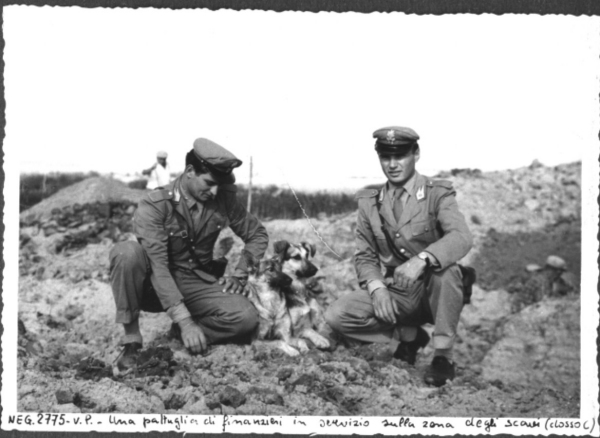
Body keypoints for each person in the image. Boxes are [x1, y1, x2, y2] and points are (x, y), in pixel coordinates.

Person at [325, 126, 474, 387]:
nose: (392, 165)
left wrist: (423, 259)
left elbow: (461, 237)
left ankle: (443, 357)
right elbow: (365, 256)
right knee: (338, 315)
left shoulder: (437, 194)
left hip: (435, 291)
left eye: (400, 156)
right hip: (399, 292)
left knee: (447, 272)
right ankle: (410, 337)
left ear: (415, 154)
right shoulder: (370, 203)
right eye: (386, 157)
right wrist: (377, 288)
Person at [110, 138, 268, 370]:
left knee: (245, 318)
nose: (214, 191)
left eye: (219, 185)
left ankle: (178, 336)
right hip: (153, 284)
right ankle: (132, 342)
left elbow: (257, 235)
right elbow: (158, 266)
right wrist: (185, 321)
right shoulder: (156, 204)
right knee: (126, 253)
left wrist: (241, 273)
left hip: (195, 281)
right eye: (209, 183)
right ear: (190, 171)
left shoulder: (222, 199)